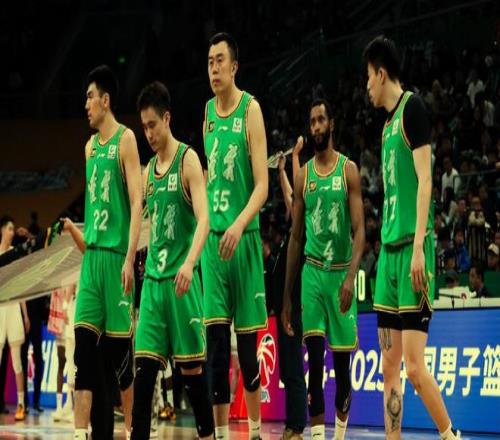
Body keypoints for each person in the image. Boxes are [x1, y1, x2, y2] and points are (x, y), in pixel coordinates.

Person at [364, 35, 460, 439]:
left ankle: (451, 435)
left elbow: (426, 181)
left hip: (412, 253)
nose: (366, 86)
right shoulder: (386, 126)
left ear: (382, 73)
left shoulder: (412, 109)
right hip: (388, 256)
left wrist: (420, 246)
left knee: (416, 369)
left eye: (368, 77)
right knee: (389, 368)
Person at [131, 81, 214, 440]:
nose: (148, 133)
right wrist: (127, 258)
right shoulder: (148, 171)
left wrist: (190, 262)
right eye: (143, 127)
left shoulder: (188, 160)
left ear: (167, 119)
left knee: (193, 377)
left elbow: (205, 219)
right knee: (143, 378)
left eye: (152, 125)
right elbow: (139, 221)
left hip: (182, 285)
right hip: (153, 286)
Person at [282, 99, 365, 440]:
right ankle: (317, 436)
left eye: (320, 120)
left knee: (342, 373)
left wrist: (351, 277)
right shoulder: (303, 176)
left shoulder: (349, 170)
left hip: (341, 274)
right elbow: (295, 237)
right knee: (314, 364)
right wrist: (287, 297)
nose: (315, 126)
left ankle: (339, 435)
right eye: (311, 121)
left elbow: (360, 231)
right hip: (312, 275)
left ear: (331, 124)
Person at [202, 32, 268, 440]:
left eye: (220, 60)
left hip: (242, 242)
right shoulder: (207, 112)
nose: (214, 68)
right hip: (212, 247)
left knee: (246, 352)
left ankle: (256, 432)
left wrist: (239, 223)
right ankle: (222, 435)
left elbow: (262, 185)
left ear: (235, 66)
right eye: (210, 61)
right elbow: (210, 179)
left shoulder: (251, 110)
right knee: (214, 349)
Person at [73, 65, 142, 440]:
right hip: (92, 261)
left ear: (105, 100)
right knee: (82, 355)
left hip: (117, 260)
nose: (86, 104)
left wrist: (130, 258)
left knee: (121, 364)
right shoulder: (89, 148)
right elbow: (92, 211)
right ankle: (79, 435)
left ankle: (131, 430)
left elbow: (136, 201)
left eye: (90, 96)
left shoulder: (126, 140)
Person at [0, 216, 29, 421]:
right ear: (2, 230)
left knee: (17, 361)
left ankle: (20, 404)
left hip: (13, 308)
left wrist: (25, 314)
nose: (12, 232)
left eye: (13, 229)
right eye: (9, 229)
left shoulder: (15, 254)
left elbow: (21, 286)